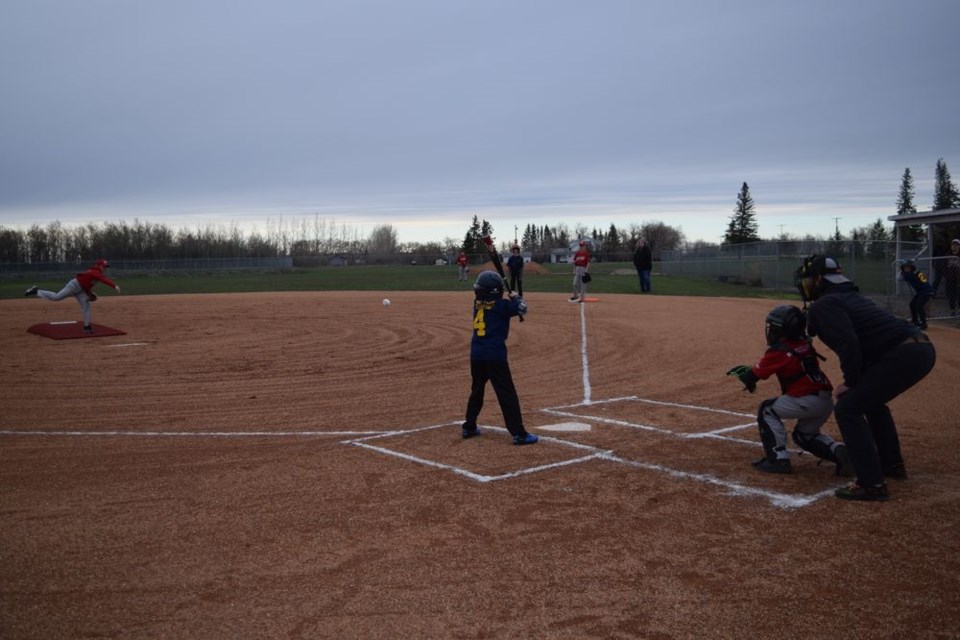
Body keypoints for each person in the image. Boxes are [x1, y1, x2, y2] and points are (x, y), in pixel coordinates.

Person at [795, 255, 936, 501]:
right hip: (918, 350)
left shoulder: (825, 304)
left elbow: (849, 343)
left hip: (904, 353)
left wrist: (850, 381)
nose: (806, 285)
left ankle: (871, 483)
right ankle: (890, 465)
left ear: (819, 279)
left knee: (848, 408)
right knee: (869, 402)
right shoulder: (848, 297)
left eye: (808, 280)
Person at [727, 304, 853, 476]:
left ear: (782, 330)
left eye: (774, 327)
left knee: (767, 409)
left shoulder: (779, 351)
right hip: (824, 400)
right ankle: (838, 451)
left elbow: (753, 376)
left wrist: (741, 372)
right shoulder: (804, 343)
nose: (770, 330)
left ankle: (778, 459)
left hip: (806, 399)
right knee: (804, 435)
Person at [461, 271, 537, 445]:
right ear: (497, 291)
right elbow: (523, 309)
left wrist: (510, 300)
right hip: (495, 356)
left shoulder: (477, 304)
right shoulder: (502, 306)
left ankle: (469, 426)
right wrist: (516, 297)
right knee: (507, 394)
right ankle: (519, 433)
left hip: (477, 355)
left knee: (477, 391)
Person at [25, 258, 121, 334]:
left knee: (86, 305)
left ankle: (87, 327)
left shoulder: (96, 273)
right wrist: (114, 286)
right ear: (99, 266)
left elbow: (87, 285)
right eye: (104, 266)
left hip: (81, 290)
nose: (105, 268)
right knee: (56, 297)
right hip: (74, 285)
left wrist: (89, 294)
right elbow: (103, 279)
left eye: (106, 266)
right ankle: (36, 291)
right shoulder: (95, 272)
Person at [898, 260, 933, 329]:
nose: (906, 269)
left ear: (911, 267)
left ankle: (924, 324)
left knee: (919, 306)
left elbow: (898, 278)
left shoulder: (910, 275)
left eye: (908, 267)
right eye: (905, 268)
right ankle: (915, 321)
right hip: (921, 292)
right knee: (912, 304)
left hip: (926, 291)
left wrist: (900, 271)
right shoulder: (915, 272)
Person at [944, 239, 960, 316]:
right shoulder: (947, 255)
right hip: (950, 278)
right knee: (951, 294)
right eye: (953, 245)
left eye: (956, 245)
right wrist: (945, 274)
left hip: (959, 278)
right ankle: (952, 309)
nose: (954, 247)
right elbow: (942, 265)